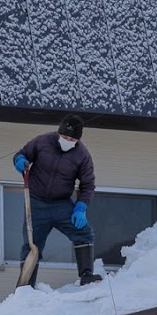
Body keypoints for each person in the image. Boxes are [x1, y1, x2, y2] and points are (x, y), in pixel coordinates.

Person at [13, 114, 102, 286]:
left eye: (72, 139)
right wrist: (20, 160)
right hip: (36, 202)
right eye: (65, 137)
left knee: (84, 233)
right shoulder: (42, 141)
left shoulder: (82, 155)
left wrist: (81, 207)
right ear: (59, 132)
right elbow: (22, 154)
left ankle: (86, 275)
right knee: (32, 245)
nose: (68, 141)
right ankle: (25, 286)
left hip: (61, 204)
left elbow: (88, 184)